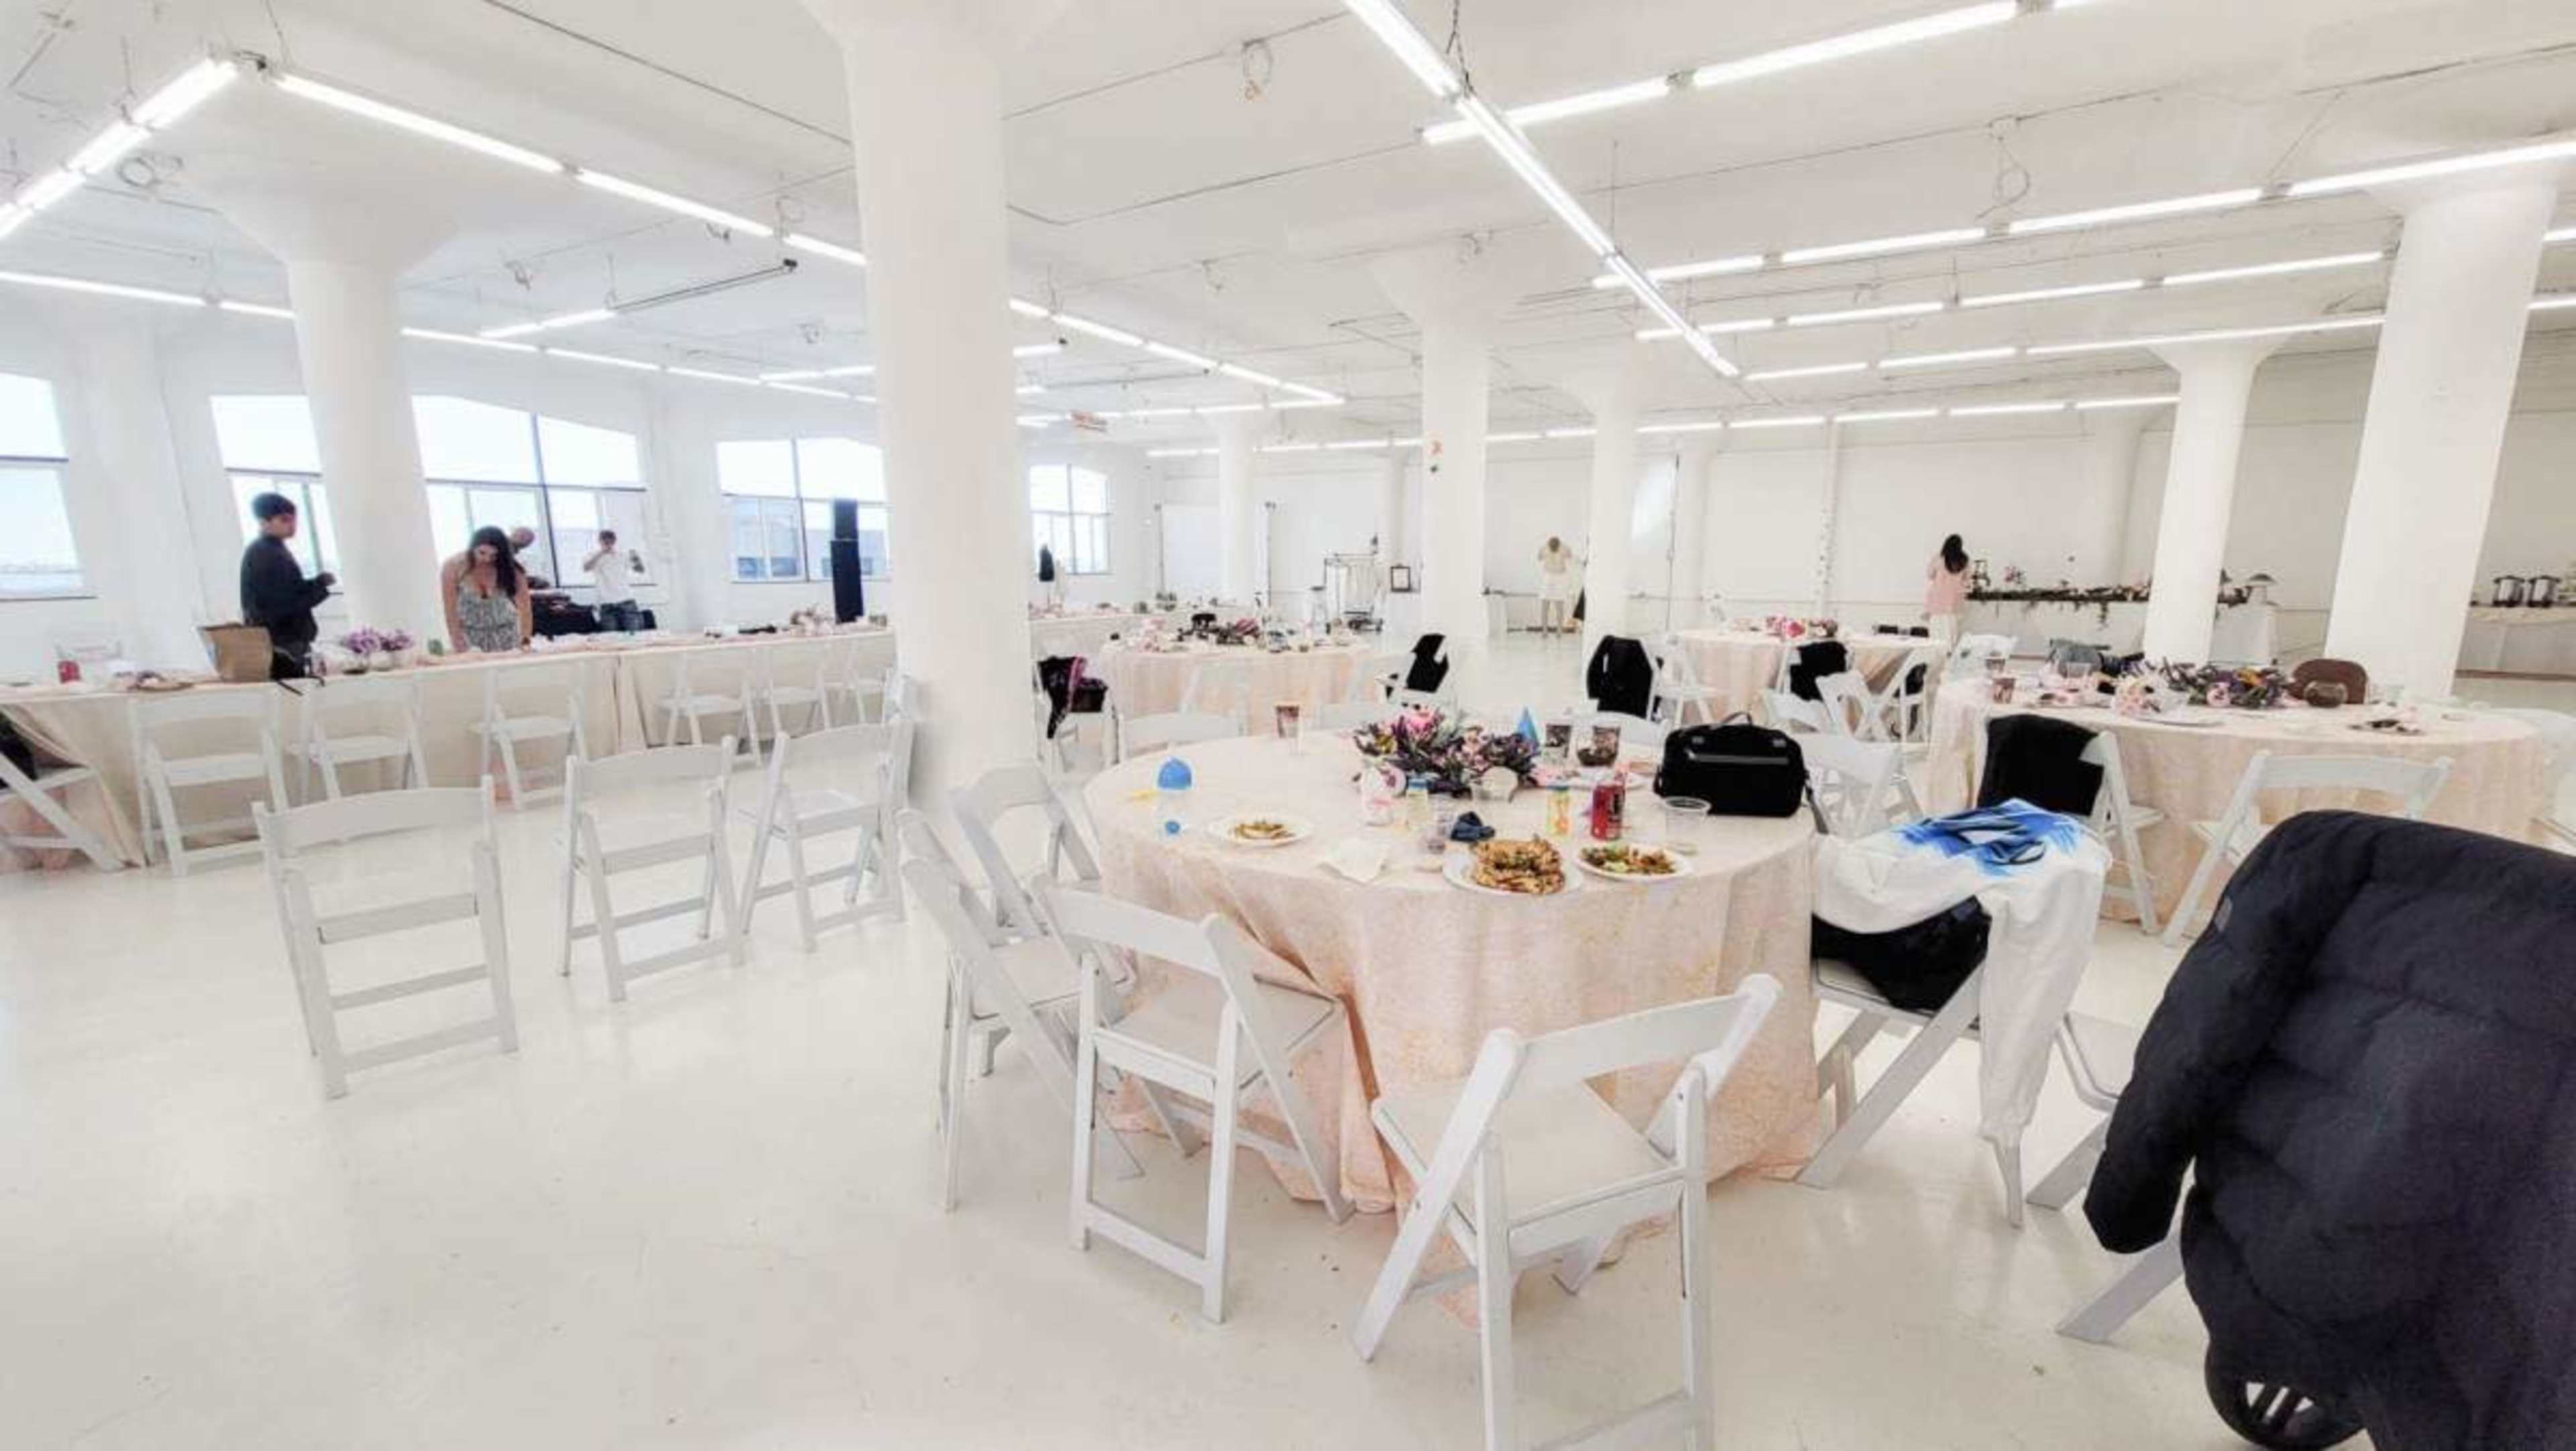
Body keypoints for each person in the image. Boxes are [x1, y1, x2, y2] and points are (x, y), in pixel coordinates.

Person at [238, 492, 334, 678]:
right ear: (264, 522)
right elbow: (282, 604)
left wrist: (317, 583)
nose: (292, 526)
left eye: (293, 520)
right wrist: (319, 590)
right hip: (282, 642)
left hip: (285, 640)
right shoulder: (264, 554)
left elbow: (290, 589)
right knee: (296, 698)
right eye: (284, 520)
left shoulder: (273, 549)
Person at [442, 526, 533, 653]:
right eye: (482, 553)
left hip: (508, 634)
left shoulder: (512, 568)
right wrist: (457, 640)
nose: (487, 559)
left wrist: (525, 641)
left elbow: (525, 609)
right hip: (470, 636)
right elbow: (450, 609)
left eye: (494, 555)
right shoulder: (453, 566)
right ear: (472, 547)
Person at [585, 529, 644, 633]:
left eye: (610, 541)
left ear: (614, 541)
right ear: (600, 541)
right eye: (605, 541)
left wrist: (636, 558)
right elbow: (586, 568)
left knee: (635, 635)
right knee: (611, 639)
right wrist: (601, 553)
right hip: (606, 603)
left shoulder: (623, 555)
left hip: (626, 600)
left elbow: (640, 570)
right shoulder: (592, 555)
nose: (608, 544)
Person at [1925, 533, 1971, 647]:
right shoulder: (1965, 560)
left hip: (1938, 600)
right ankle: (1950, 652)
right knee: (1952, 629)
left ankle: (1936, 652)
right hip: (1955, 600)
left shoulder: (1939, 558)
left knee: (1937, 630)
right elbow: (1968, 579)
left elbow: (1930, 574)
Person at [1536, 535, 1577, 635]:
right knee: (1545, 605)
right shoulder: (1544, 548)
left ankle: (1559, 629)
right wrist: (1544, 550)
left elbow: (1570, 555)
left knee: (1559, 605)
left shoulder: (1564, 548)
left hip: (1560, 578)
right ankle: (1544, 630)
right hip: (1548, 579)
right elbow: (1539, 558)